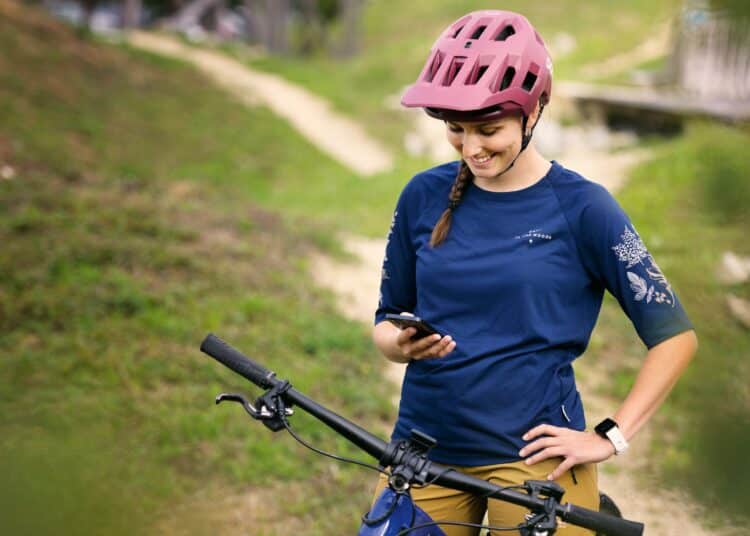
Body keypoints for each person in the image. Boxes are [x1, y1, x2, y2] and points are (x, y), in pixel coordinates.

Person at [371, 9, 697, 536]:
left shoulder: (586, 208)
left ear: (534, 111)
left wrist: (610, 436)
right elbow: (387, 318)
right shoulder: (421, 196)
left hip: (536, 462)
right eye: (455, 129)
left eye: (488, 129)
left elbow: (674, 337)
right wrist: (399, 343)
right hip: (423, 449)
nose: (471, 148)